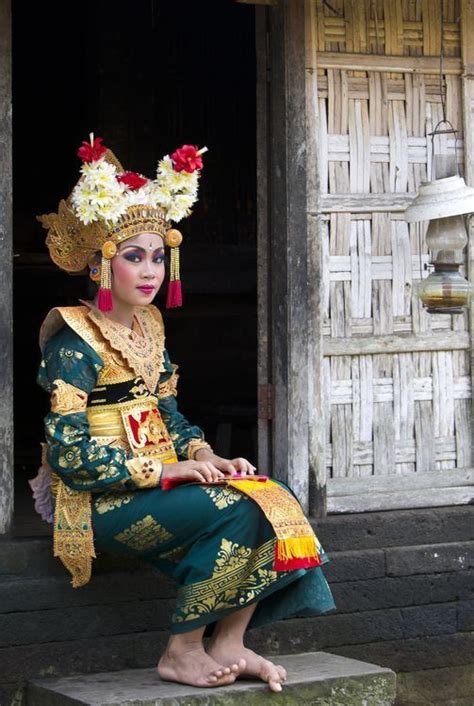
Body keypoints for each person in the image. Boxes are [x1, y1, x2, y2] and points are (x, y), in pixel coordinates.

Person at [32, 136, 336, 693]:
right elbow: (69, 455)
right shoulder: (71, 340)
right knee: (240, 513)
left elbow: (167, 414)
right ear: (103, 263)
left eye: (157, 256)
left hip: (152, 486)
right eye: (133, 256)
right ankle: (181, 651)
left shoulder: (149, 328)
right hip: (96, 500)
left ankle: (228, 643)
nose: (149, 271)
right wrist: (163, 471)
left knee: (274, 495)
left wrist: (204, 454)